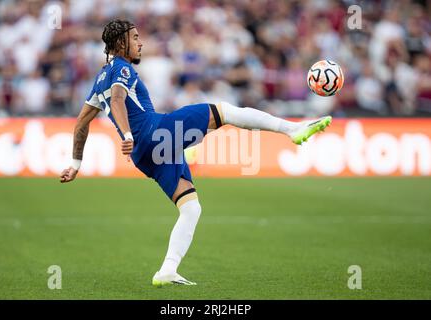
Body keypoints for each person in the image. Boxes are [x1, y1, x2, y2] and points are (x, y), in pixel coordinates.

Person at [59, 19, 332, 287]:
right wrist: (128, 133)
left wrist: (75, 163)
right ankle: (291, 130)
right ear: (121, 43)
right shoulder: (122, 68)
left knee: (190, 208)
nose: (140, 43)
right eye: (135, 38)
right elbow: (118, 99)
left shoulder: (99, 80)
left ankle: (168, 270)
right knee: (224, 112)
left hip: (145, 157)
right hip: (157, 132)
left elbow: (81, 123)